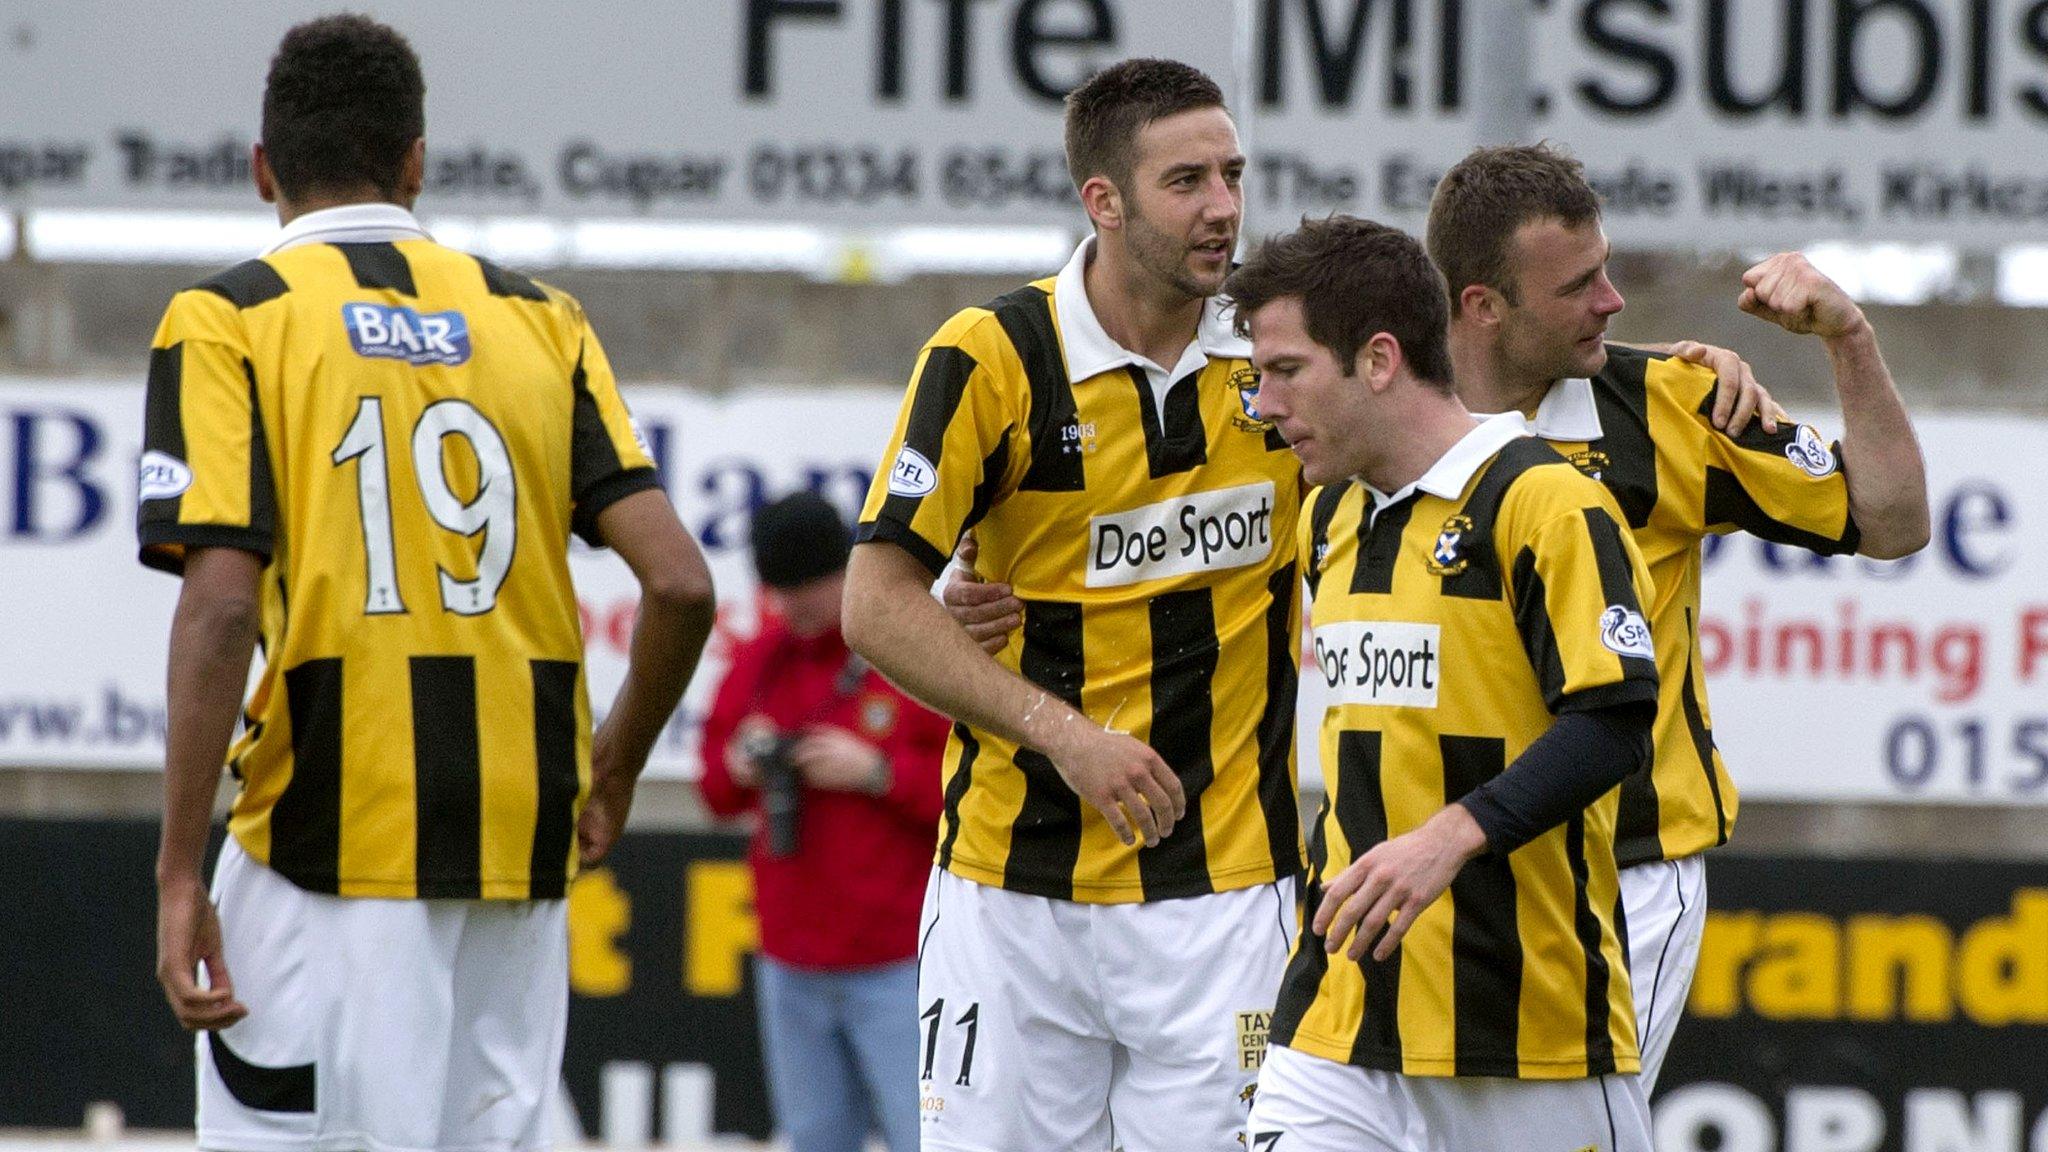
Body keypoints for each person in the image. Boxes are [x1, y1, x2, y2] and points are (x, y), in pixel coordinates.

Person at [139, 16, 716, 1151]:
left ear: (263, 167)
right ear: (416, 161)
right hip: (520, 830)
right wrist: (611, 773)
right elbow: (682, 586)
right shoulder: (539, 319)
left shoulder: (228, 318)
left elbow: (216, 607)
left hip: (329, 836)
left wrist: (174, 870)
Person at [841, 59, 1308, 1150]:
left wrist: (1662, 369)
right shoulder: (991, 357)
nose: (1224, 207)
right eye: (1186, 180)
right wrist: (1062, 733)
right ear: (1102, 200)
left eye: (1233, 174)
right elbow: (876, 602)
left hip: (1224, 897)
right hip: (1010, 899)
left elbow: (1445, 404)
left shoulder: (1281, 356)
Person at [1425, 143, 1930, 1089]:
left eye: (1608, 269)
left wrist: (1849, 338)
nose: (1614, 301)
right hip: (1437, 870)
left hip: (1627, 878)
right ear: (1482, 307)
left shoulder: (1672, 402)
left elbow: (1893, 522)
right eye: (1581, 285)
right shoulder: (1386, 416)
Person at [1230, 214, 1659, 1152]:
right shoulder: (1330, 513)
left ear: (1379, 360)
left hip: (1525, 1030)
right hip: (1337, 1020)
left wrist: (1451, 837)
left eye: (1286, 371)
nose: (1263, 403)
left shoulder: (1545, 503)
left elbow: (1615, 725)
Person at [698, 492, 948, 1152]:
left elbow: (973, 793)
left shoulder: (908, 651)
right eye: (780, 589)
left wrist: (878, 773)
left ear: (848, 571)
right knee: (813, 1137)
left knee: (924, 1134)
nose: (795, 605)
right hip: (792, 957)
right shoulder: (758, 661)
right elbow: (716, 794)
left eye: (809, 586)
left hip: (898, 958)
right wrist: (738, 763)